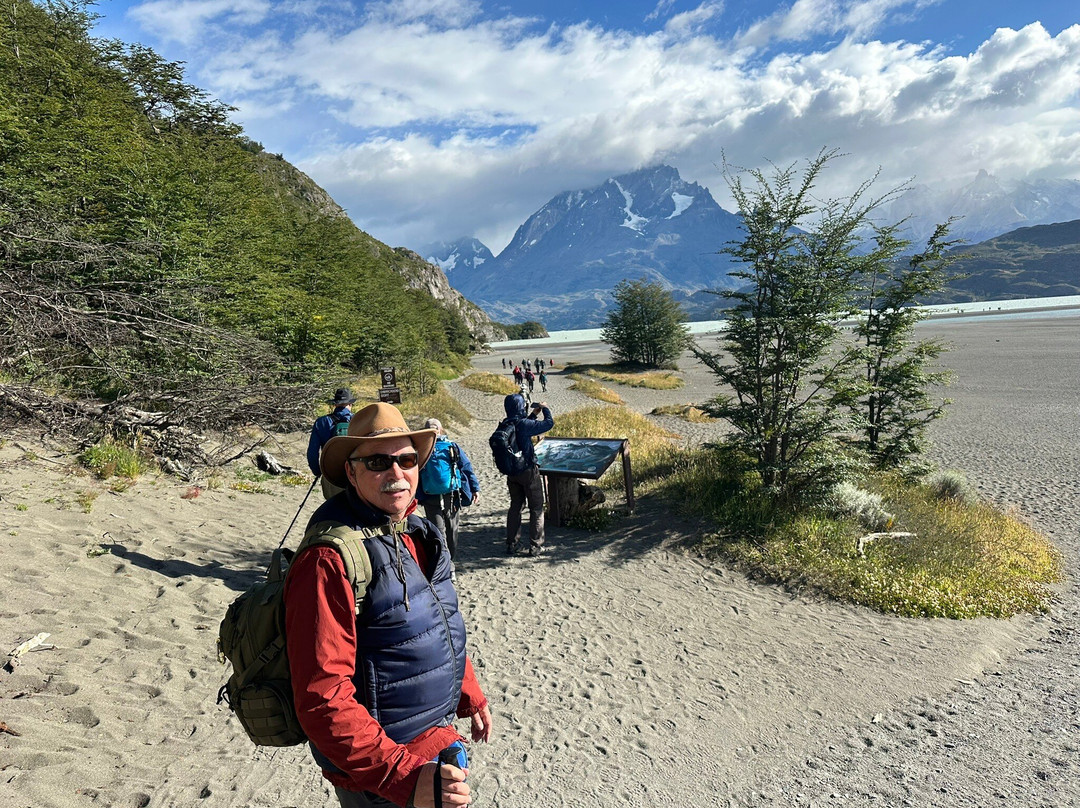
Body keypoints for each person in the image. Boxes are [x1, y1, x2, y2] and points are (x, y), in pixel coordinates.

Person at [285, 402, 493, 808]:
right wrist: (404, 778)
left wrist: (468, 692)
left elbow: (436, 619)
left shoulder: (418, 530)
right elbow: (322, 697)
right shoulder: (328, 561)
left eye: (407, 459)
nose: (396, 473)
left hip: (432, 741)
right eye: (379, 461)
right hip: (380, 770)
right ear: (351, 471)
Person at [416, 418, 480, 561]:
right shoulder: (451, 446)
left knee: (439, 531)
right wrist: (475, 488)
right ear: (441, 429)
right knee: (452, 530)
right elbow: (466, 467)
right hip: (452, 495)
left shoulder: (421, 449)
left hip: (430, 496)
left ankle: (445, 563)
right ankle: (450, 559)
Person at [501, 394, 554, 557]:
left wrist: (533, 414)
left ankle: (512, 543)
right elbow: (548, 424)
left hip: (512, 472)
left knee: (515, 506)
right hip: (528, 470)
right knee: (536, 507)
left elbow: (520, 428)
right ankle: (536, 545)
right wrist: (545, 409)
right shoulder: (523, 424)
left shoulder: (505, 424)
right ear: (521, 406)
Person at [307, 388, 356, 499]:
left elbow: (312, 453)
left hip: (331, 473)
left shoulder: (321, 422)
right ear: (350, 404)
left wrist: (318, 471)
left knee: (333, 509)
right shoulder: (357, 420)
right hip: (354, 472)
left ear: (335, 404)